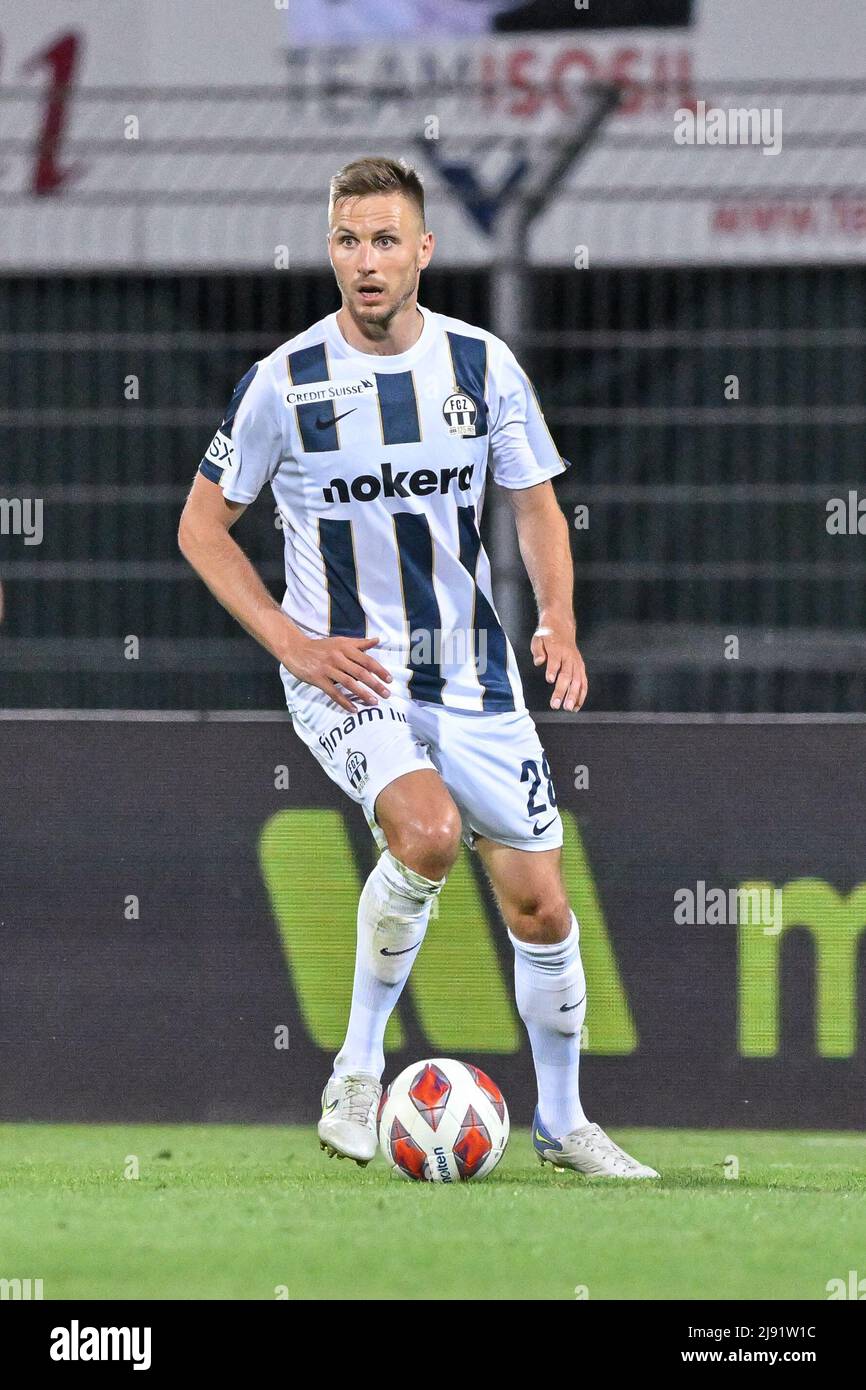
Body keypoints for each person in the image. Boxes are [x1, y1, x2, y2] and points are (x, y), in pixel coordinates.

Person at [178, 155, 658, 1180]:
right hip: (350, 672)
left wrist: (560, 621)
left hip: (473, 672)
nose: (365, 261)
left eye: (385, 239)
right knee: (428, 832)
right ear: (330, 249)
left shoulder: (481, 367)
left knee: (540, 903)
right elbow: (201, 528)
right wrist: (294, 645)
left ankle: (563, 1123)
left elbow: (533, 502)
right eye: (347, 240)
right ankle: (356, 1069)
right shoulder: (284, 382)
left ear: (423, 251)